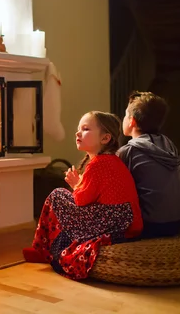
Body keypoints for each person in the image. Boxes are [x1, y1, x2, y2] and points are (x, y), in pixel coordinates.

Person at [23, 111, 142, 280]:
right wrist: (80, 185)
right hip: (124, 220)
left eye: (85, 129)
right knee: (63, 199)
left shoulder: (98, 164)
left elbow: (80, 201)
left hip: (112, 221)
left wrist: (76, 185)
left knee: (57, 195)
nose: (78, 133)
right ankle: (45, 248)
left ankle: (41, 248)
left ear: (105, 138)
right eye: (79, 129)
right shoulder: (111, 160)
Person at [118, 91, 180, 238]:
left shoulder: (129, 151)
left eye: (125, 115)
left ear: (131, 121)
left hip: (151, 224)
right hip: (179, 220)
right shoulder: (168, 143)